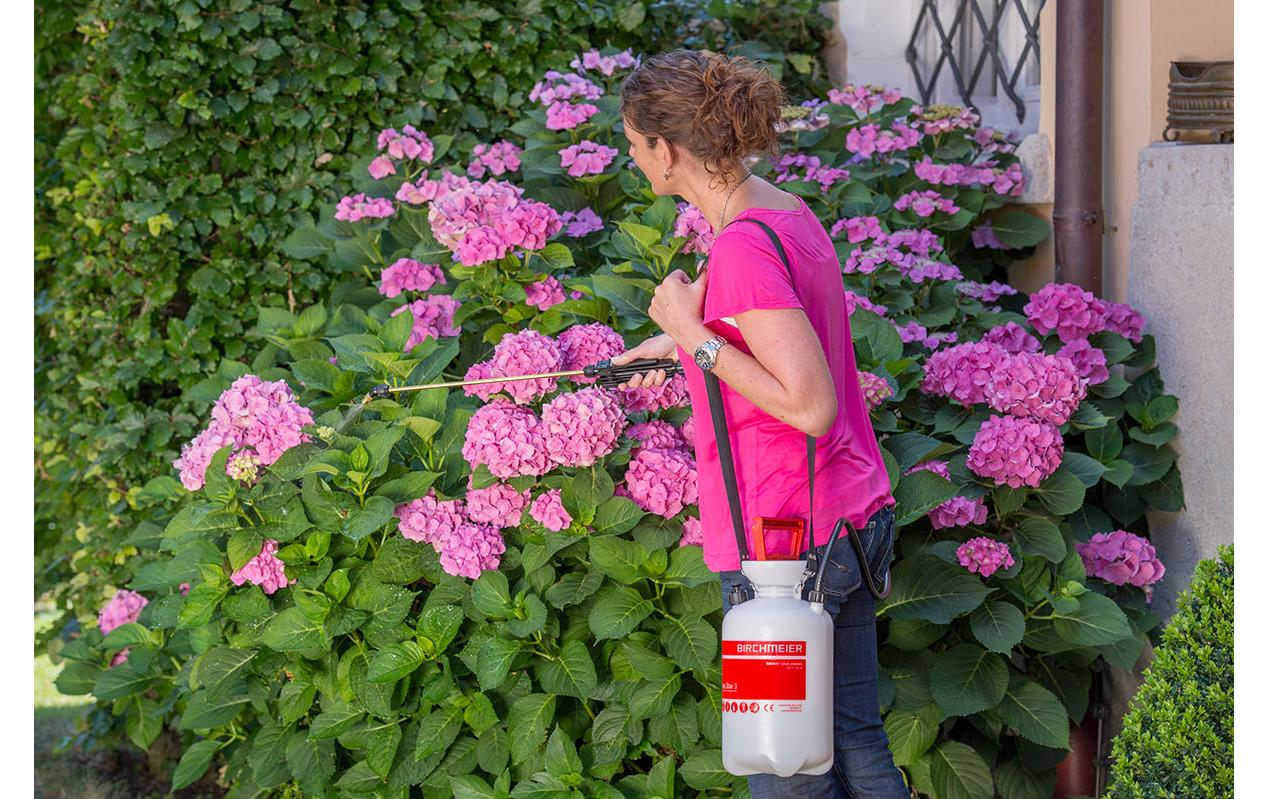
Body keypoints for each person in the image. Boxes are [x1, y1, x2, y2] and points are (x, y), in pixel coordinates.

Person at [610, 49, 911, 799]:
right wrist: (679, 336)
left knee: (783, 769)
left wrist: (699, 341)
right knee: (853, 741)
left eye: (632, 142)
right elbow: (760, 317)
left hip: (784, 546)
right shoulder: (777, 210)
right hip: (844, 517)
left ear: (668, 150)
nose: (630, 155)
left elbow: (810, 405)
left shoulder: (740, 247)